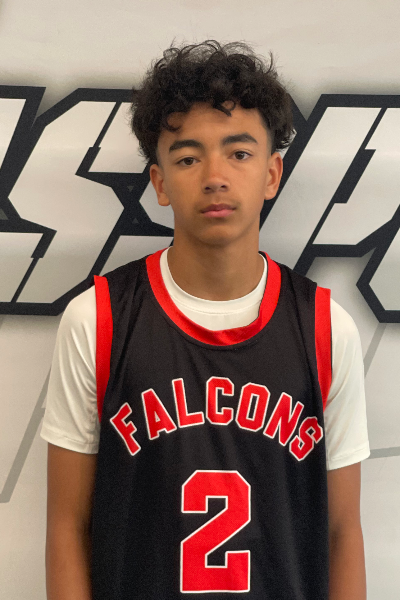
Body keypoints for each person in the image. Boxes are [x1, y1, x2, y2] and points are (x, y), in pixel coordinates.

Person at [41, 40, 370, 600]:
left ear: (272, 174)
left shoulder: (325, 328)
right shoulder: (96, 320)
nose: (215, 176)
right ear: (160, 182)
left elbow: (342, 534)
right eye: (188, 158)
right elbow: (67, 528)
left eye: (238, 153)